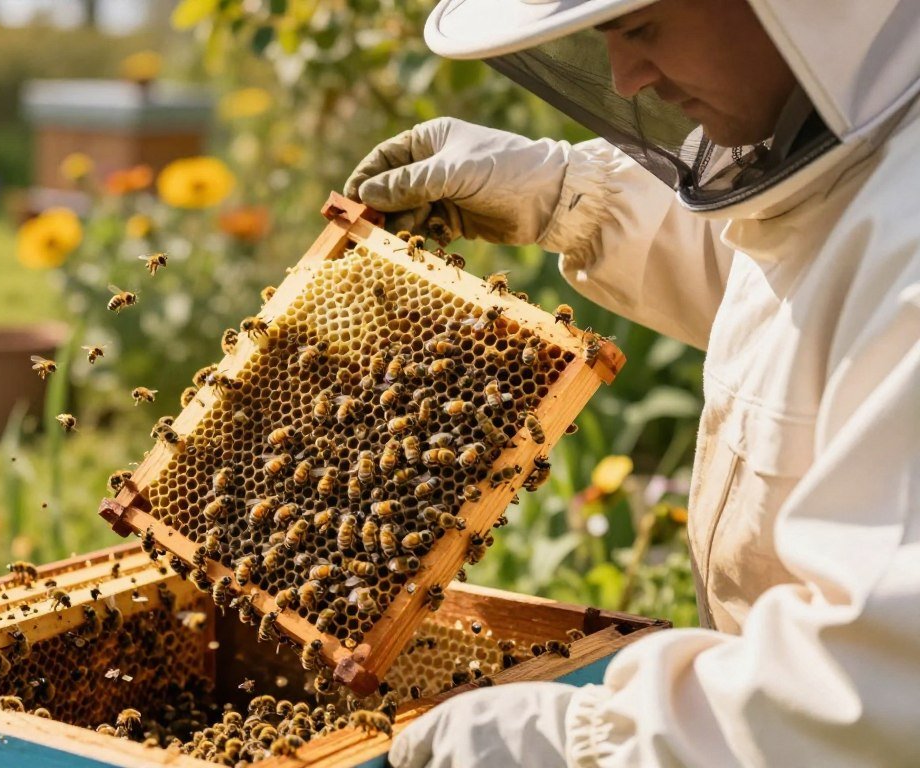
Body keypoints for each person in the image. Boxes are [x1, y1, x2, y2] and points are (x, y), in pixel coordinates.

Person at [343, 0, 920, 765]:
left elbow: (870, 698)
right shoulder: (866, 163)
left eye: (642, 27)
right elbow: (796, 285)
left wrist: (570, 747)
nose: (623, 77)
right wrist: (569, 195)